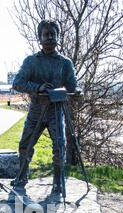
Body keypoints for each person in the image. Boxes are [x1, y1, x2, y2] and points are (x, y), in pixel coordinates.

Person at [11, 19, 81, 191]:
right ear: (39, 38)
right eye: (46, 34)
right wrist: (38, 88)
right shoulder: (31, 61)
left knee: (59, 146)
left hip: (56, 111)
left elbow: (72, 85)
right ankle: (21, 177)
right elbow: (17, 83)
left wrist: (78, 91)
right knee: (25, 144)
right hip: (36, 110)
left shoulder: (65, 63)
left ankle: (58, 183)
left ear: (58, 37)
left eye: (53, 34)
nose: (50, 37)